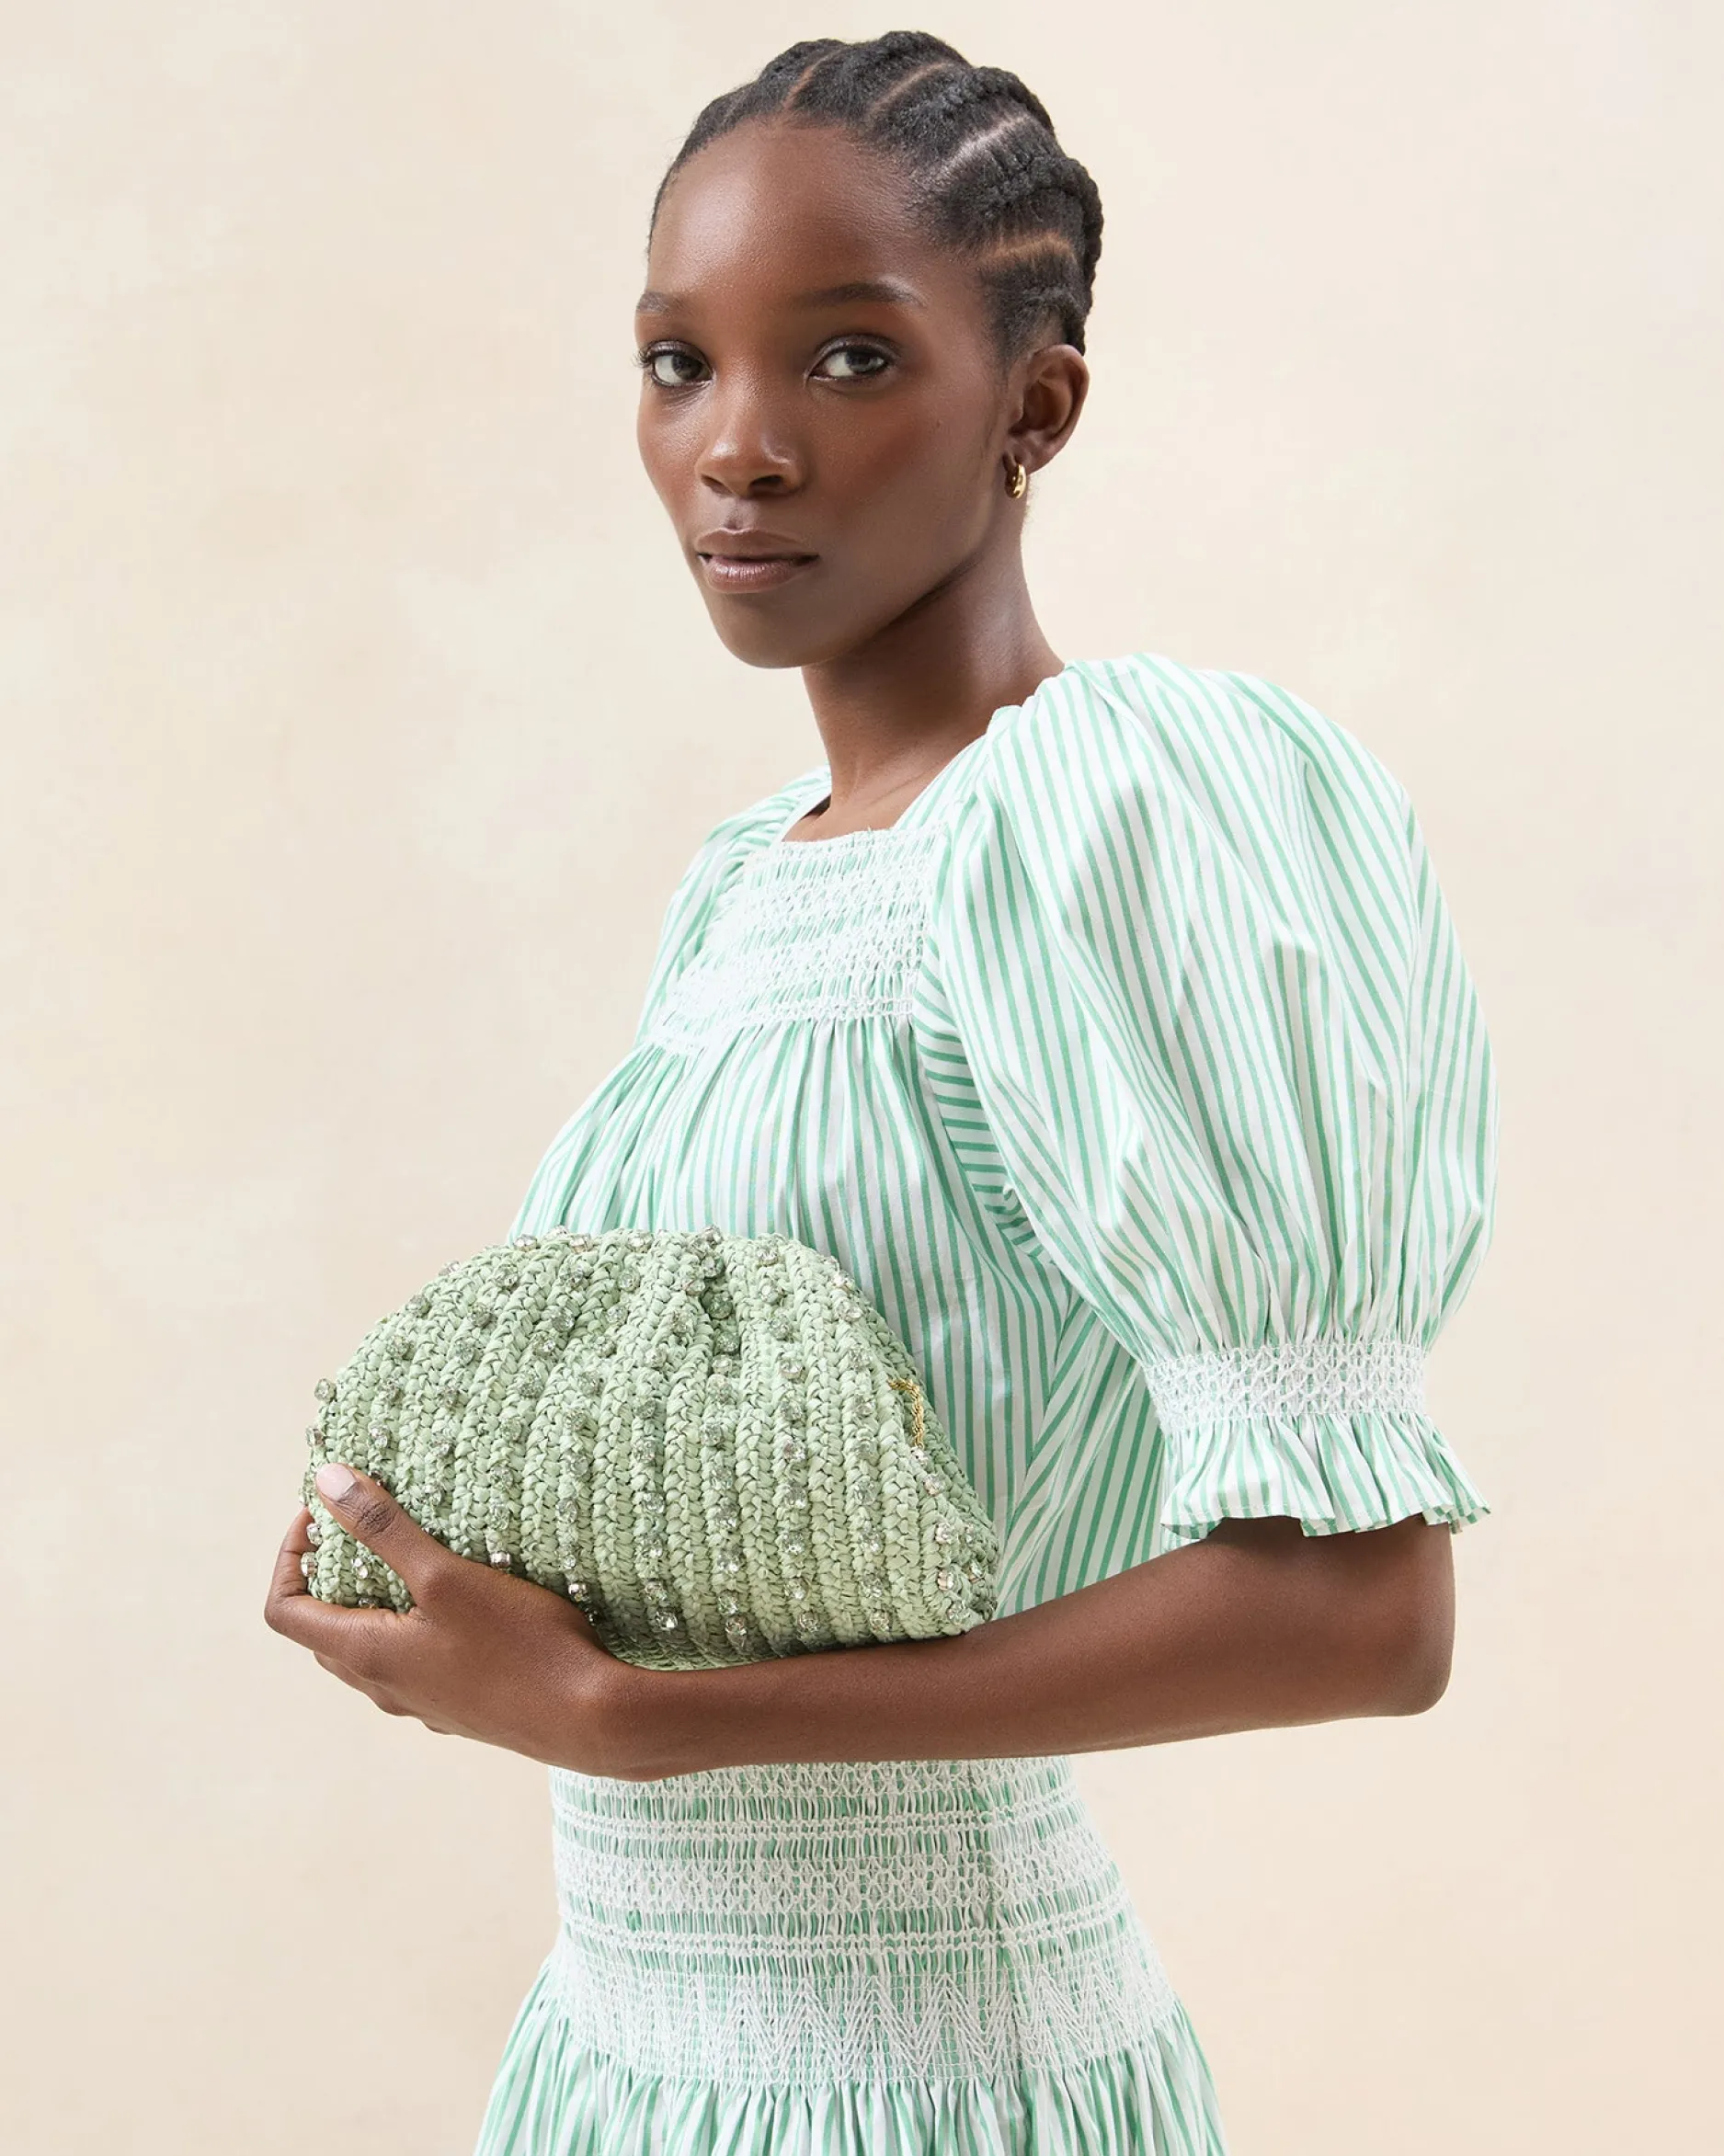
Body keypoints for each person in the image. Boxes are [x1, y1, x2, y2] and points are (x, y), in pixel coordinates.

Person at [265, 30, 1499, 2155]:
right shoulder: (748, 883)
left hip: (930, 2077)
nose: (737, 449)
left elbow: (1360, 1607)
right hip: (627, 2060)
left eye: (846, 359)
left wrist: (633, 1717)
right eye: (679, 363)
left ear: (1036, 405)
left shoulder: (1117, 816)